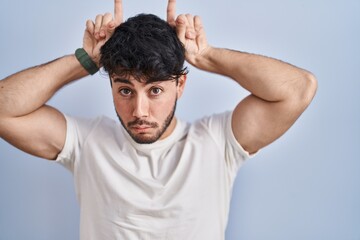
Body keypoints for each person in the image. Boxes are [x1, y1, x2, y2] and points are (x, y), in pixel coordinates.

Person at [0, 0, 317, 239]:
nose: (139, 111)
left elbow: (299, 89)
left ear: (180, 84)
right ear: (110, 83)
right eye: (125, 90)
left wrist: (205, 56)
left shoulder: (218, 142)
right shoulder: (87, 142)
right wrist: (85, 61)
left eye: (155, 90)